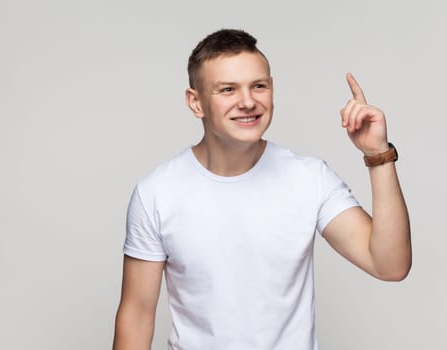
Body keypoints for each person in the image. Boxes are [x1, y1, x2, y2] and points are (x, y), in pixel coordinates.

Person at [113, 29, 411, 350]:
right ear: (195, 102)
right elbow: (137, 315)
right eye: (227, 89)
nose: (247, 102)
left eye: (259, 86)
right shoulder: (157, 192)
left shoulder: (309, 177)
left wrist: (377, 155)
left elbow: (390, 265)